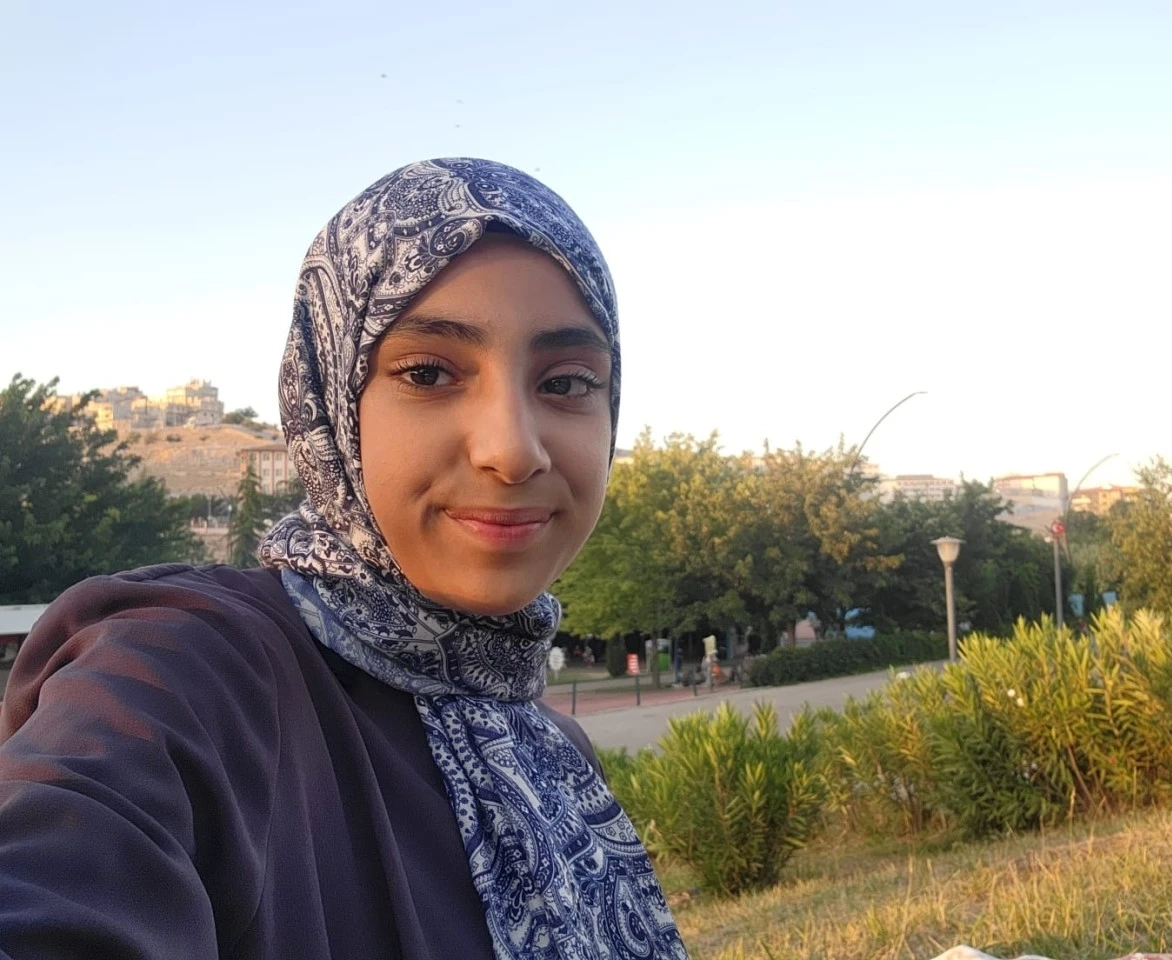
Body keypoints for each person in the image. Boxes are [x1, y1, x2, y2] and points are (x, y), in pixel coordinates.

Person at [0, 159, 688, 960]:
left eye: (567, 383)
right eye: (427, 373)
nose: (511, 451)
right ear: (329, 401)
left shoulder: (550, 751)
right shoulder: (188, 670)